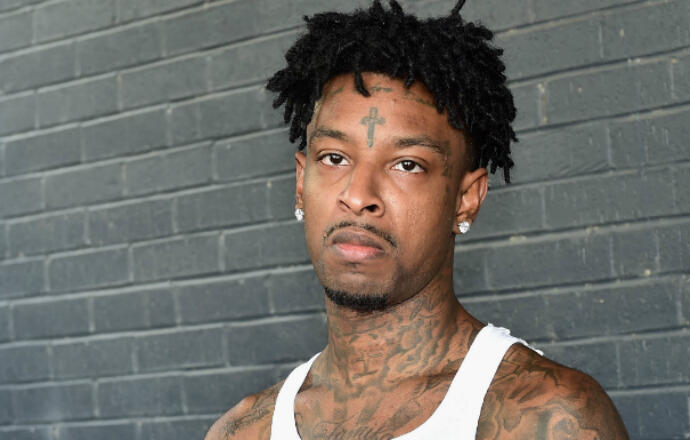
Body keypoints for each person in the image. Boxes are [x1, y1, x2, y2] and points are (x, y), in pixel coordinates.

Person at [206, 1, 629, 438]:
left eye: (407, 165)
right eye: (334, 158)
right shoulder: (243, 431)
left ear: (466, 199)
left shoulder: (545, 417)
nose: (358, 196)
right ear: (300, 183)